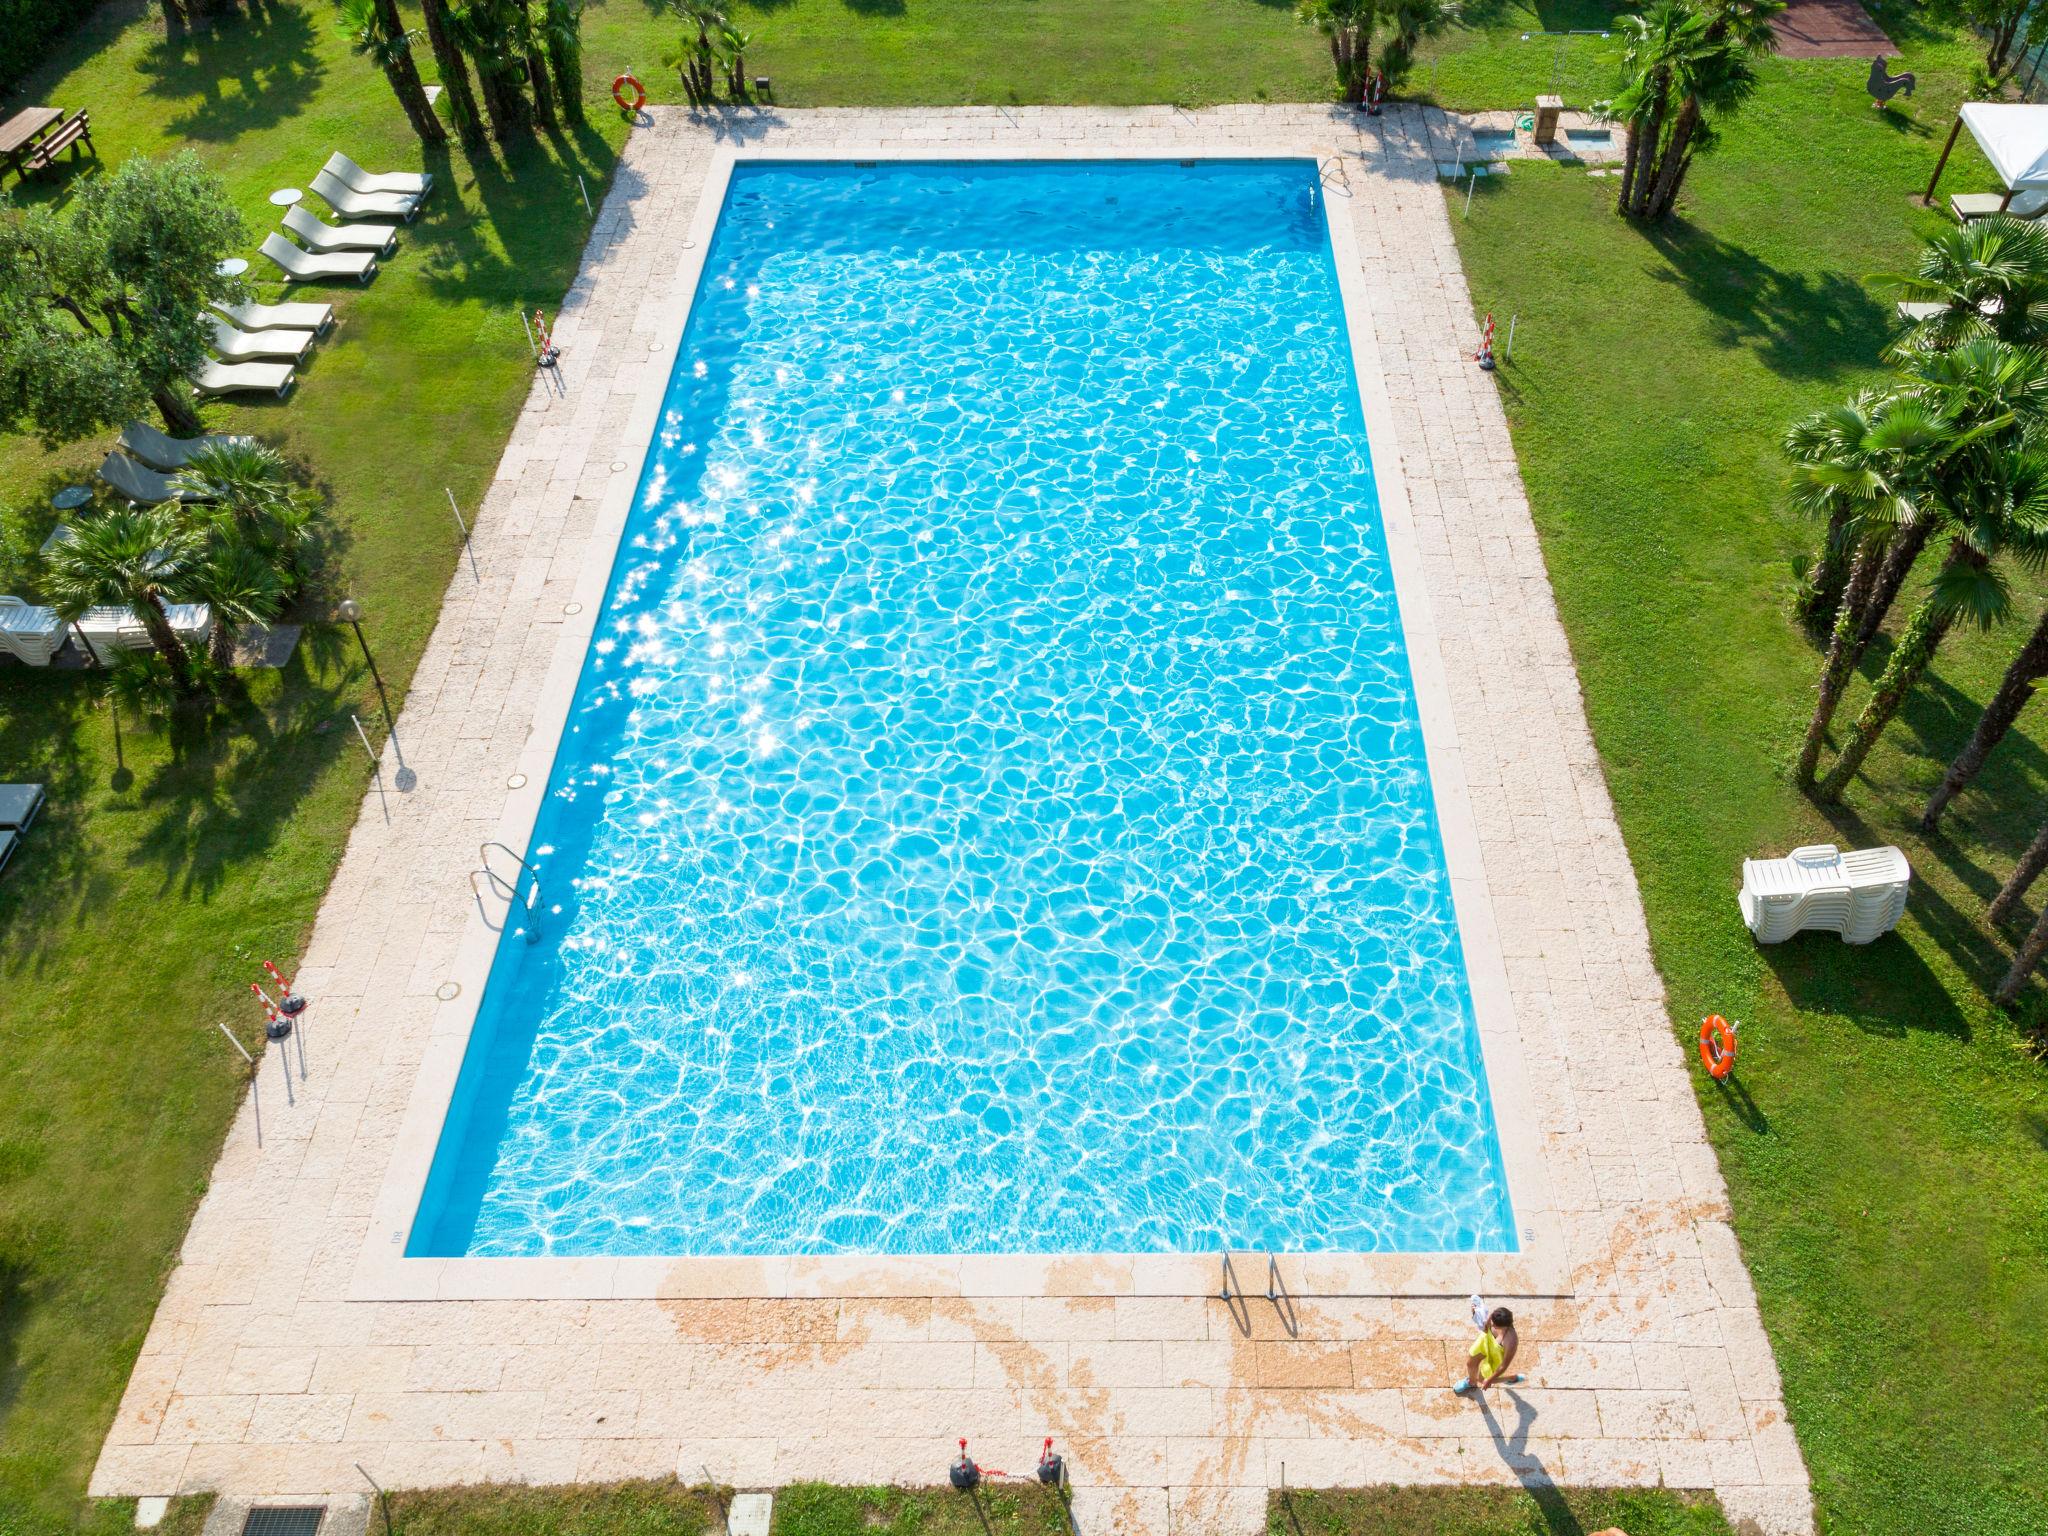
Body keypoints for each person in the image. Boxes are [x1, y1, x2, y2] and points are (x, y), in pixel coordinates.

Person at [1452, 1305, 1523, 1395]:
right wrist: (1476, 1314)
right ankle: (1471, 1382)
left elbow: (1503, 1366)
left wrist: (1489, 1380)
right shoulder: (1495, 1315)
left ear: (1503, 1326)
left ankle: (1511, 1378)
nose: (1491, 1323)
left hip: (1496, 1355)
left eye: (1494, 1325)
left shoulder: (1511, 1342)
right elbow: (1485, 1328)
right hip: (1485, 1341)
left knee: (1482, 1379)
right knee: (1470, 1364)